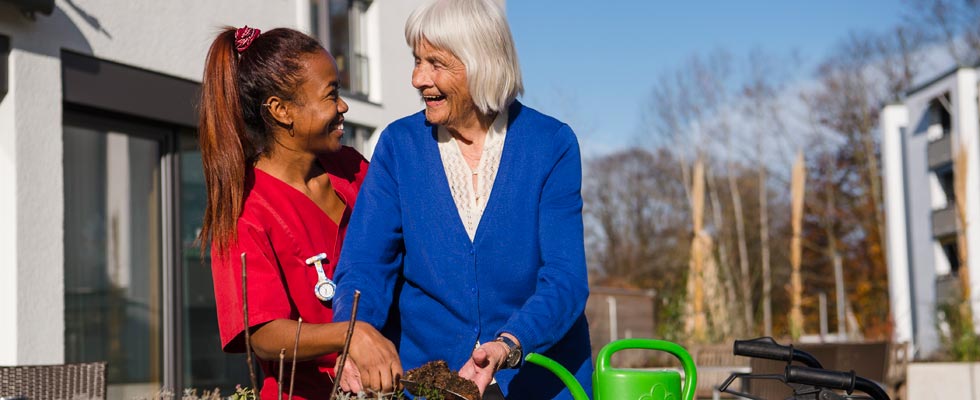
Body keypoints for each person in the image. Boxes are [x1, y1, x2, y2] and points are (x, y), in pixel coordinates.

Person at [332, 0, 594, 398]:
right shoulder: (399, 147)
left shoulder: (550, 145)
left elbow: (565, 279)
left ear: (481, 63)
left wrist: (509, 344)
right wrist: (355, 337)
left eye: (435, 63)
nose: (418, 78)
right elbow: (366, 264)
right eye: (417, 60)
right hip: (429, 384)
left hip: (538, 383)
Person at [198, 26, 401, 400]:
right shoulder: (245, 211)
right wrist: (350, 334)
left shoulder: (352, 169)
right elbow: (263, 334)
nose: (343, 107)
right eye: (331, 95)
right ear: (281, 111)